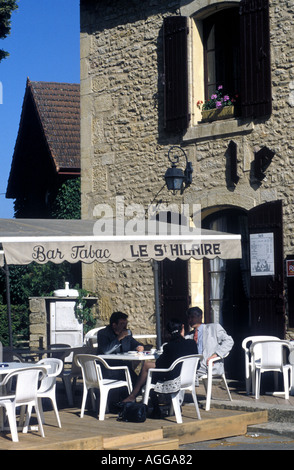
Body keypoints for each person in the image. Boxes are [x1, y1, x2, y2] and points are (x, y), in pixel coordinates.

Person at [122, 318, 198, 403]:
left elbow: (160, 364)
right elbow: (197, 364)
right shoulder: (192, 343)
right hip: (188, 378)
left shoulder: (169, 346)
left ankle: (134, 396)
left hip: (173, 379)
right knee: (148, 371)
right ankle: (141, 398)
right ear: (182, 328)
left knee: (147, 370)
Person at [185, 306, 234, 377]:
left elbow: (229, 341)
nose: (190, 320)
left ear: (200, 317)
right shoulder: (188, 336)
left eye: (192, 317)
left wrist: (216, 355)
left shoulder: (213, 328)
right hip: (194, 368)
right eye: (188, 318)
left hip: (209, 365)